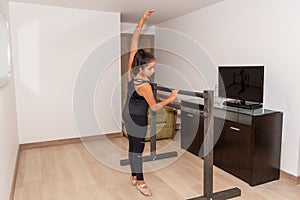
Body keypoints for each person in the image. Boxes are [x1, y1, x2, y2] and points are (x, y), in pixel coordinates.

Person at [122, 8, 179, 196]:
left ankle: (132, 176)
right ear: (144, 67)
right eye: (152, 68)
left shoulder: (132, 69)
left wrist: (142, 20)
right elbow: (154, 106)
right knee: (138, 148)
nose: (154, 71)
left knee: (132, 145)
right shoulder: (144, 84)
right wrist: (171, 98)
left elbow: (134, 40)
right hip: (137, 118)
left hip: (127, 112)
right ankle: (140, 182)